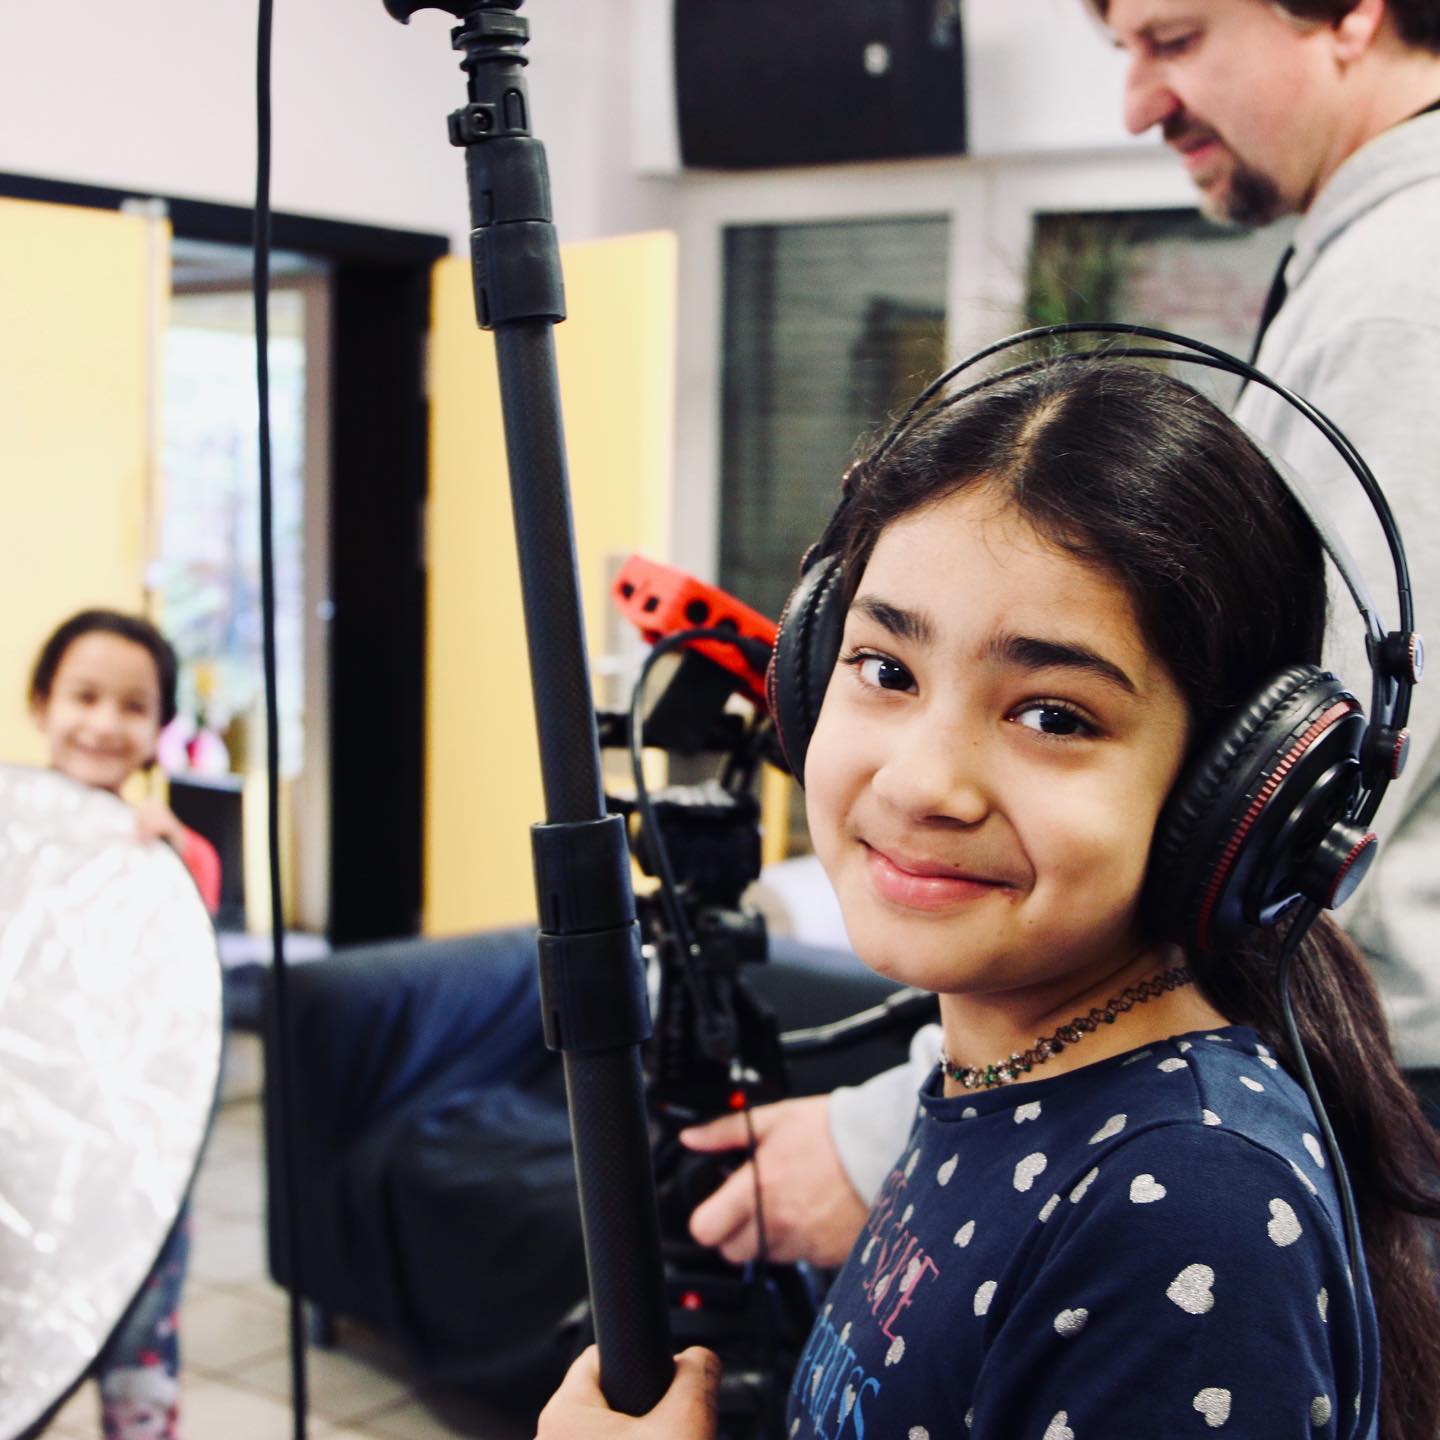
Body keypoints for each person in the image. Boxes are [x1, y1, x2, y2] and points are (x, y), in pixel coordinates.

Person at [536, 362, 1440, 1438]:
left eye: (1052, 716)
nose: (923, 782)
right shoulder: (1006, 1072)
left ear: (1238, 798)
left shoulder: (1188, 1212)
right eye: (886, 670)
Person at [682, 0, 1440, 1273]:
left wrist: (883, 1138)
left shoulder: (1401, 302)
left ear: (1355, 15)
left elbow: (1293, 820)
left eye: (1175, 40)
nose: (1139, 105)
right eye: (885, 668)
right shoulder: (1369, 267)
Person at [27, 607, 219, 1440]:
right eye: (84, 696)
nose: (104, 723)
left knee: (137, 1338)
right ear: (41, 704)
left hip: (135, 1156)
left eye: (133, 706)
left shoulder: (176, 854)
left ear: (158, 730)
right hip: (22, 1147)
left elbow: (184, 991)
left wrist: (168, 862)